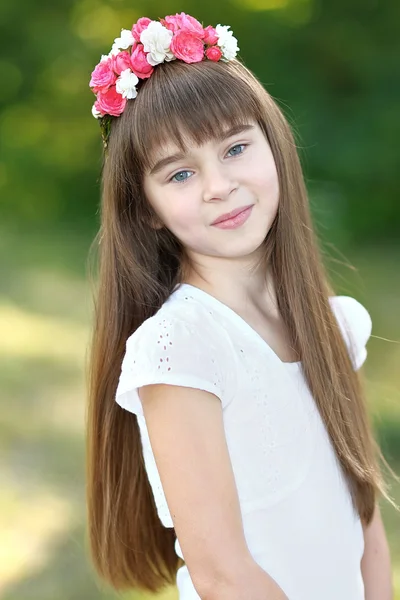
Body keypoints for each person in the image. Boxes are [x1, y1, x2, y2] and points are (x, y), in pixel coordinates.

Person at [86, 12, 396, 600]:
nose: (217, 186)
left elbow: (364, 517)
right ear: (146, 207)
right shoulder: (180, 349)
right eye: (179, 173)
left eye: (235, 148)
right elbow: (222, 572)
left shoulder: (327, 321)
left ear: (273, 146)